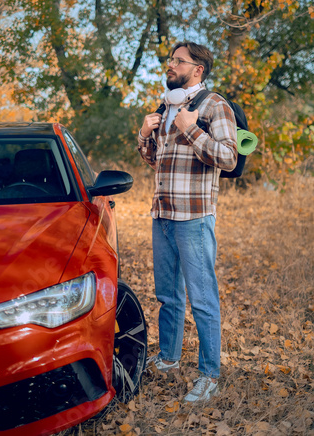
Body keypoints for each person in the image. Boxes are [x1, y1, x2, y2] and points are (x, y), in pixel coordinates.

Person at [137, 41, 237, 403]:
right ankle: (168, 358)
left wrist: (192, 130)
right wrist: (145, 136)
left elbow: (227, 157)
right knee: (168, 296)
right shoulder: (165, 106)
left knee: (203, 299)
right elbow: (158, 162)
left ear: (197, 69)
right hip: (162, 215)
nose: (170, 65)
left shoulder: (215, 106)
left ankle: (209, 376)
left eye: (177, 61)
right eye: (169, 60)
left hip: (194, 218)